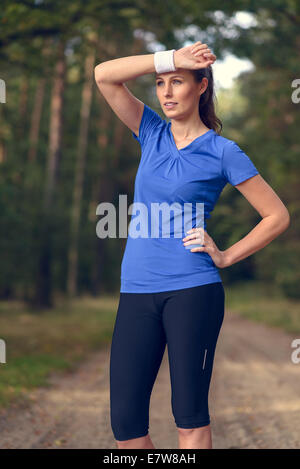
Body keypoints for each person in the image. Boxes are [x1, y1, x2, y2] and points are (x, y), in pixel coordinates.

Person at [94, 42, 290, 449]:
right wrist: (169, 58)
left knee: (189, 415)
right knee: (126, 421)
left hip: (192, 290)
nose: (166, 92)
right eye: (161, 83)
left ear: (201, 87)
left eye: (177, 82)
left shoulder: (223, 151)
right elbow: (103, 74)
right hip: (136, 290)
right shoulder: (150, 131)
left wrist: (226, 255)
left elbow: (277, 216)